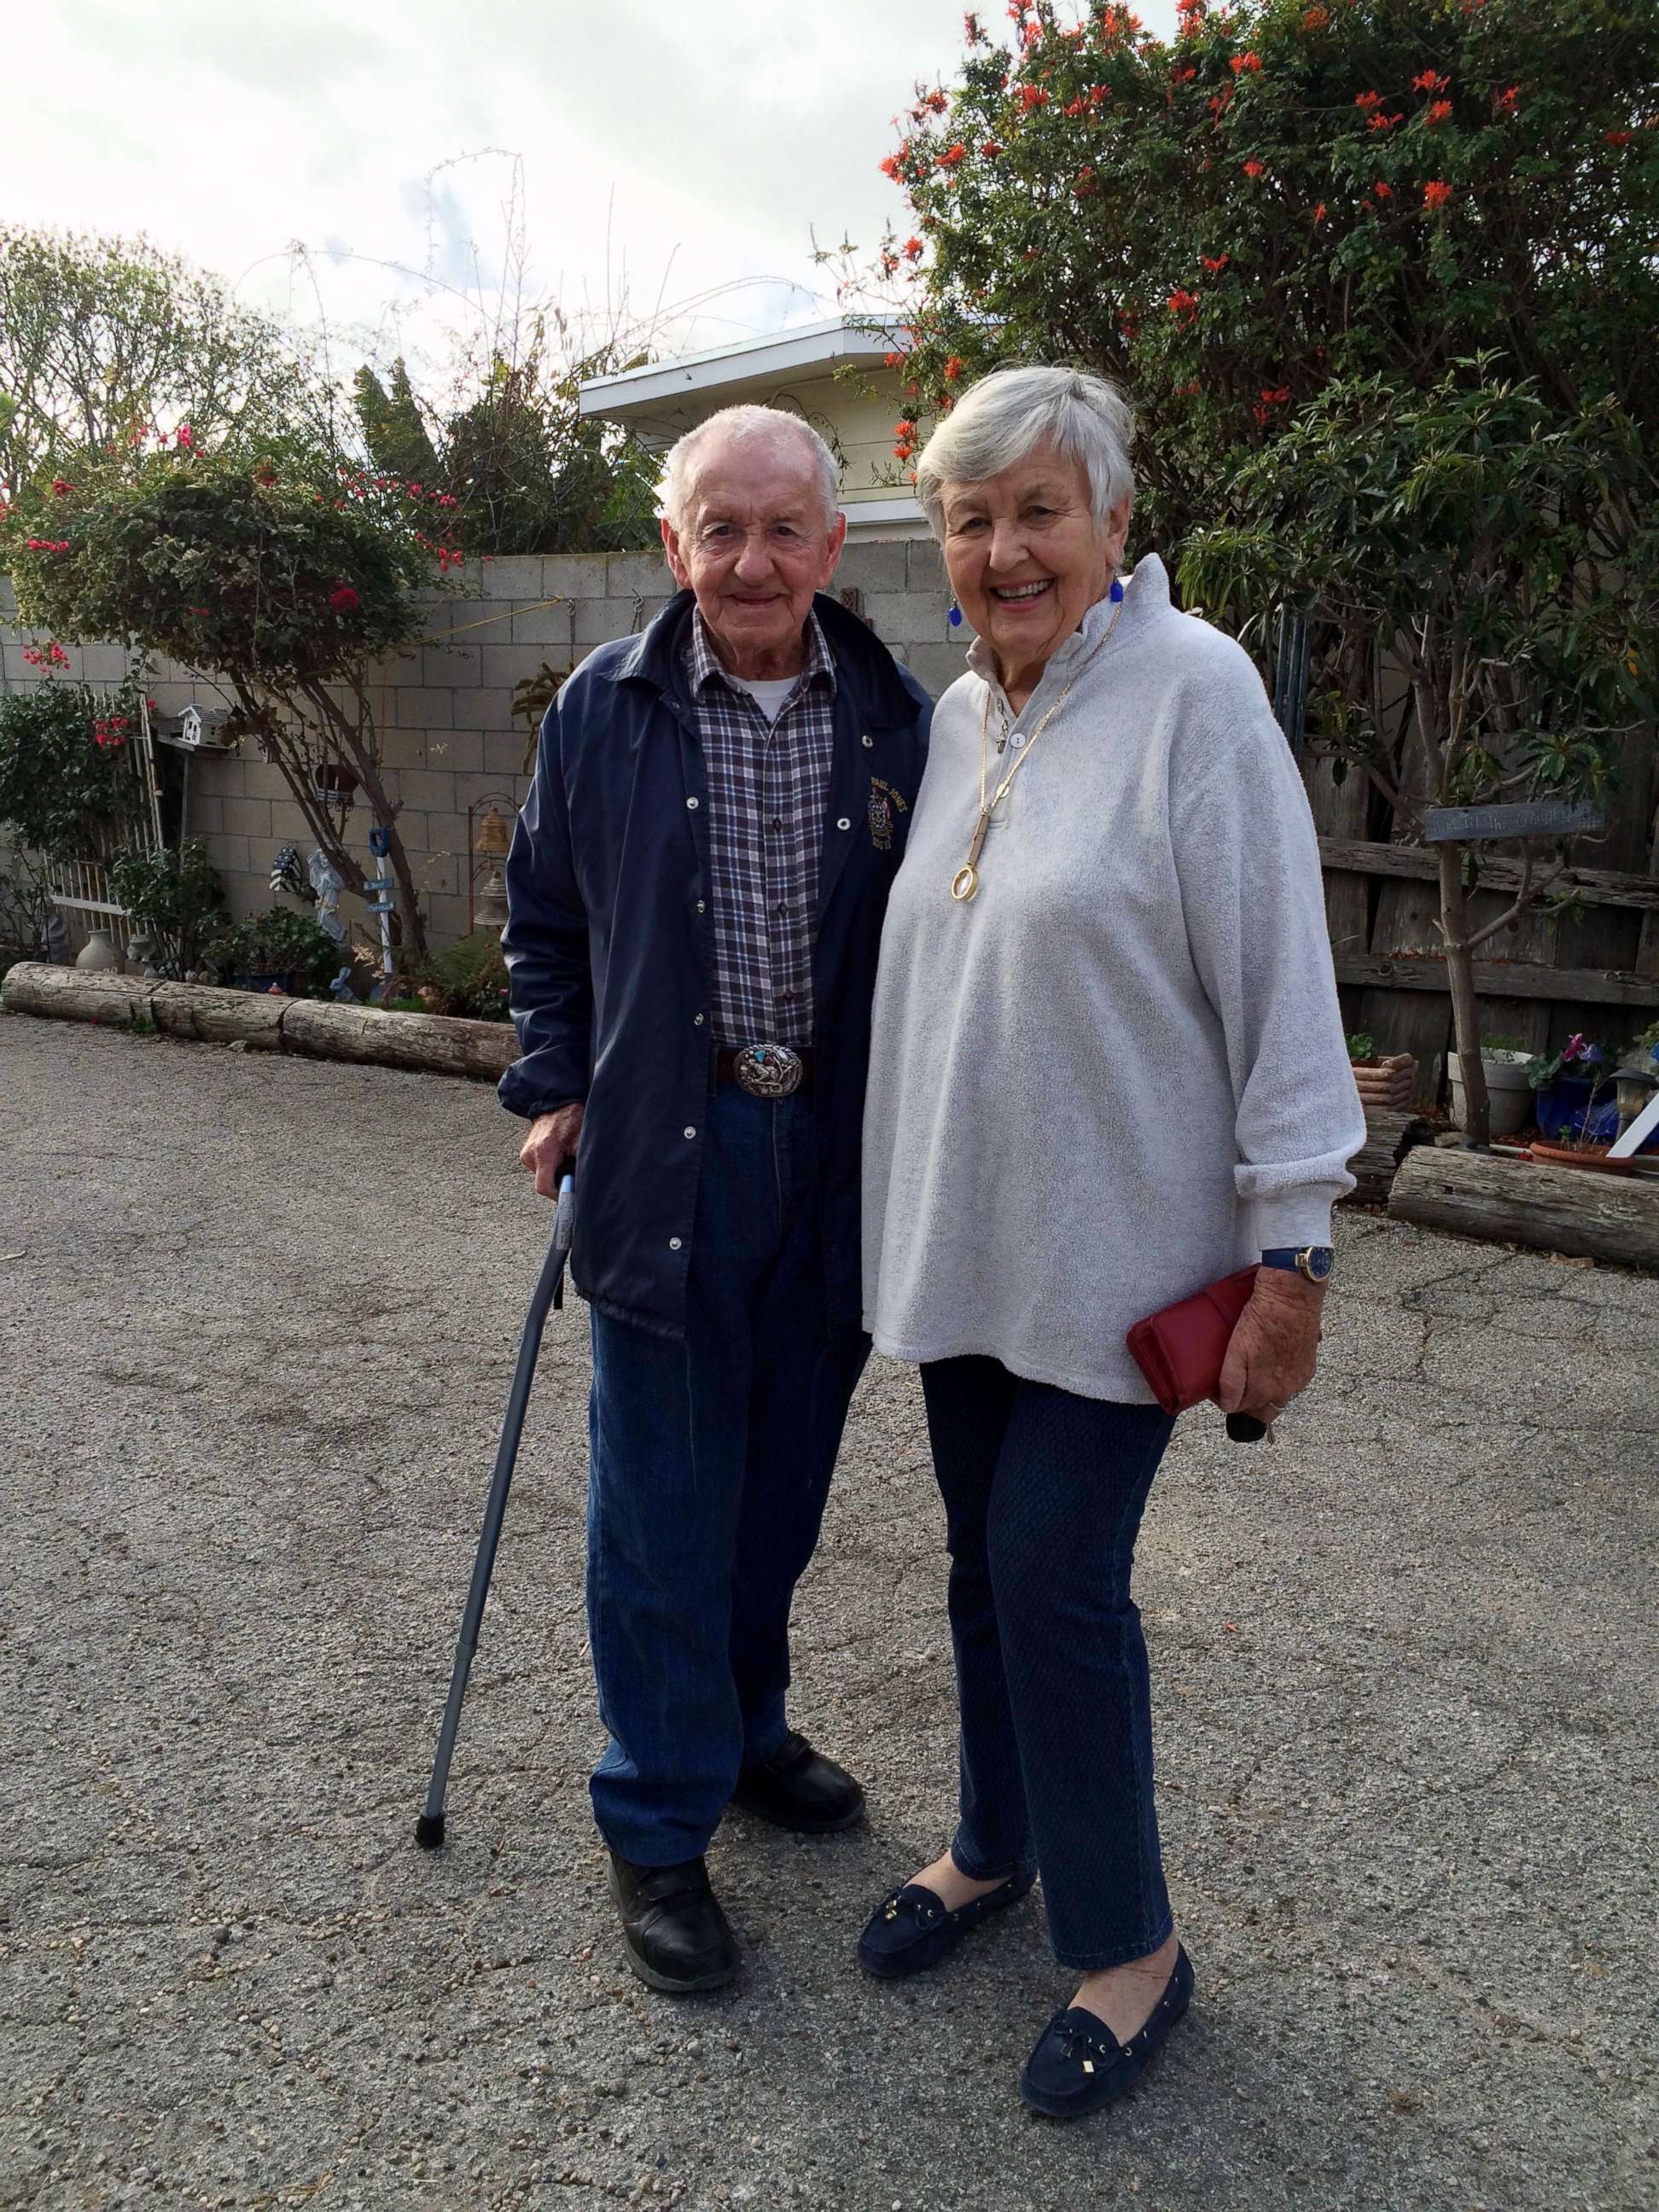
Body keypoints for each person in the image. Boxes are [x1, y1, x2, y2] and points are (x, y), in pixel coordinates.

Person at [857, 365, 1365, 2117]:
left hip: (1123, 1267)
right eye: (974, 518)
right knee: (981, 1569)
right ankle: (996, 1843)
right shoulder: (953, 720)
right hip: (967, 1248)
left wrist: (1293, 1261)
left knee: (1057, 1581)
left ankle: (1132, 1943)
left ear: (1115, 525)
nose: (1007, 548)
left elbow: (1281, 988)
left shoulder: (1196, 695)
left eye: (1040, 512)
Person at [500, 405, 932, 1994]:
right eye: (719, 530)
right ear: (673, 547)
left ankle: (744, 1732)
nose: (751, 561)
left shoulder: (902, 715)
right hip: (665, 1159)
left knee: (780, 1498)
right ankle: (659, 1822)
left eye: (783, 530)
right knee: (663, 1510)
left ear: (834, 546)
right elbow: (542, 922)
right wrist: (556, 1086)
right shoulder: (600, 716)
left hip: (831, 1162)